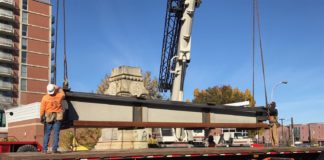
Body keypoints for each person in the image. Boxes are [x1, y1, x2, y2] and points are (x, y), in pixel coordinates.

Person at [40, 84, 65, 153]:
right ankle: (54, 150)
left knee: (47, 133)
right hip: (58, 116)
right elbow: (63, 93)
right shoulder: (59, 96)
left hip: (49, 116)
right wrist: (58, 87)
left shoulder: (45, 98)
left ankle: (44, 150)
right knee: (56, 133)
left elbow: (42, 109)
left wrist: (41, 117)